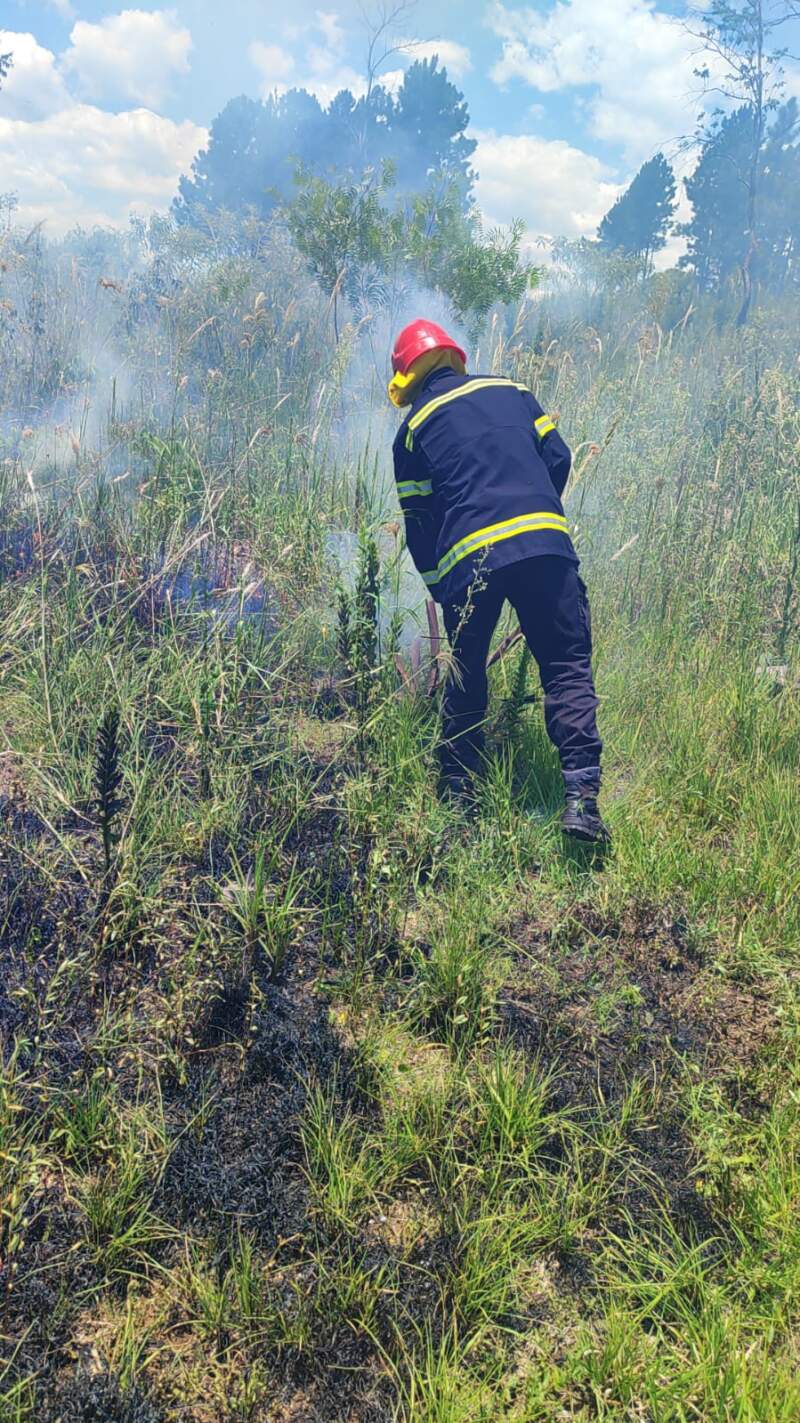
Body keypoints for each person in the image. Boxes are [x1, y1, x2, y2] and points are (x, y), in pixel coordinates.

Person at [388, 317, 609, 843]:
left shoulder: (413, 430)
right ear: (452, 359)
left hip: (471, 559)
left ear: (406, 382)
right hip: (545, 545)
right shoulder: (514, 390)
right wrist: (535, 514)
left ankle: (459, 804)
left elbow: (420, 526)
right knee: (565, 667)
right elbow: (558, 456)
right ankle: (581, 802)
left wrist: (442, 586)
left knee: (466, 676)